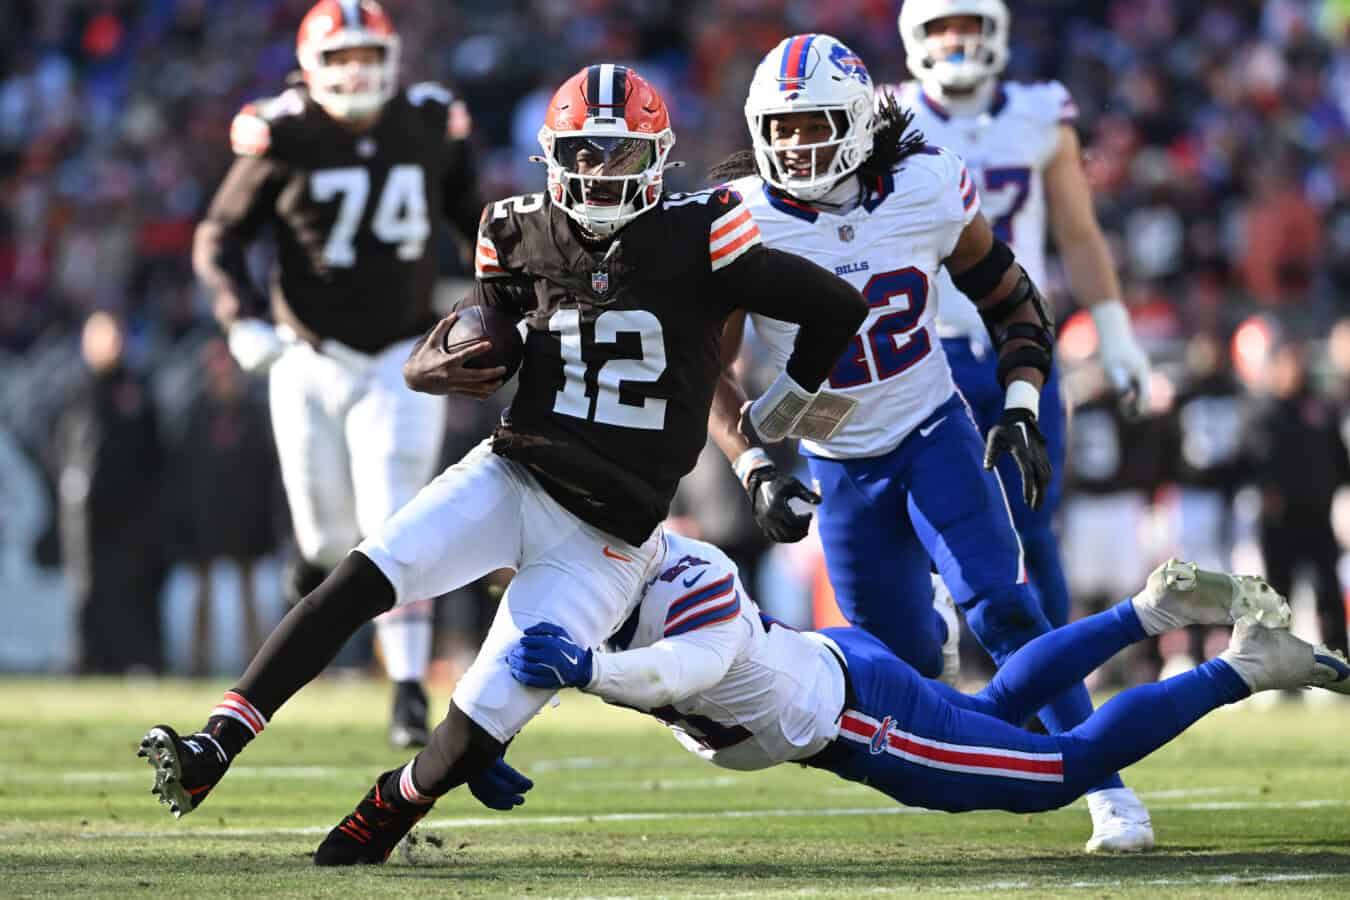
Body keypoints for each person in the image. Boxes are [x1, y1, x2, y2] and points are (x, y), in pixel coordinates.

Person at [139, 63, 868, 865]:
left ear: (656, 158)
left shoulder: (704, 231)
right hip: (514, 472)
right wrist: (430, 366)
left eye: (618, 155)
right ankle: (215, 745)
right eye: (584, 153)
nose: (598, 172)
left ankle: (389, 805)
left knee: (477, 728)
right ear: (553, 155)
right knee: (359, 576)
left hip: (609, 537)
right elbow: (466, 338)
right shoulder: (515, 230)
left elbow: (837, 306)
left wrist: (784, 411)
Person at [707, 34, 1150, 851]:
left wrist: (1018, 404)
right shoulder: (739, 219)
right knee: (905, 667)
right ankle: (974, 690)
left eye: (813, 126)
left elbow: (1013, 300)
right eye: (781, 127)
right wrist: (754, 467)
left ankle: (1105, 787)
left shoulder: (925, 183)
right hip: (840, 467)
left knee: (1008, 609)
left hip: (933, 432)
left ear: (856, 121)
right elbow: (712, 370)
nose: (795, 145)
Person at [505, 534, 1350, 832]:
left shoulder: (679, 593)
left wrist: (593, 671)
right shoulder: (633, 570)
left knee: (1054, 775)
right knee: (991, 712)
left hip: (856, 719)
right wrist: (487, 739)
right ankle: (1147, 613)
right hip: (843, 670)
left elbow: (679, 671)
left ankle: (1239, 668)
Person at [192, 0, 484, 747]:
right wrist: (241, 316)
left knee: (393, 517)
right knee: (325, 538)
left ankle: (409, 690)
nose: (356, 73)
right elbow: (220, 234)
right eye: (341, 59)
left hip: (401, 354)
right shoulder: (283, 131)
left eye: (367, 56)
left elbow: (475, 220)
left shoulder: (426, 121)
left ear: (388, 60)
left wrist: (500, 291)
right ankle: (312, 583)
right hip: (309, 355)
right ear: (313, 67)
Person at [893, 0, 1151, 636]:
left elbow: (1080, 234)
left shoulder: (1040, 115)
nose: (955, 40)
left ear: (995, 32)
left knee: (1033, 524)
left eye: (968, 25)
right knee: (924, 530)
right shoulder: (886, 116)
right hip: (926, 351)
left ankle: (1050, 697)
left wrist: (1115, 333)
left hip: (1021, 349)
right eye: (940, 27)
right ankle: (934, 690)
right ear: (914, 37)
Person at [51, 311, 168, 675]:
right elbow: (58, 446)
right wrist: (71, 484)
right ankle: (89, 660)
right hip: (85, 512)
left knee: (134, 587)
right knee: (87, 589)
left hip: (132, 510)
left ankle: (137, 661)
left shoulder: (136, 389)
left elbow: (154, 447)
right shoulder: (74, 390)